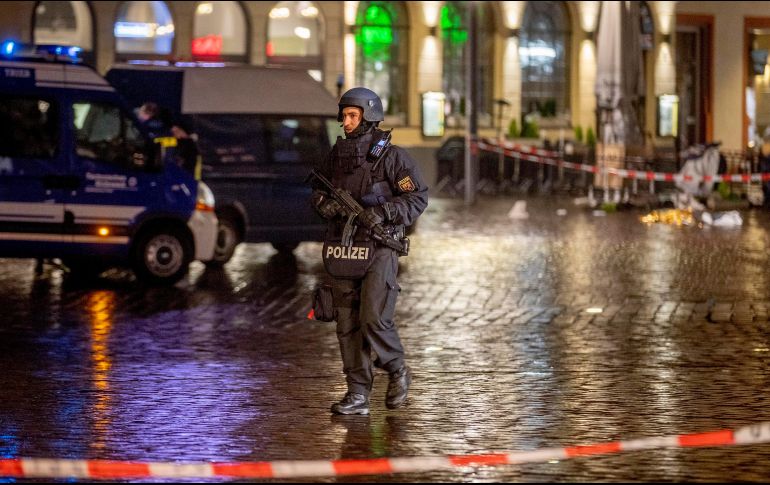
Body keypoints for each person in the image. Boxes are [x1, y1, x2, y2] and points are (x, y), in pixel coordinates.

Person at [311, 87, 428, 415]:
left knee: (374, 318)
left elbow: (417, 198)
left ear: (368, 117)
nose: (346, 122)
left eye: (353, 116)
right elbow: (316, 191)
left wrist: (385, 212)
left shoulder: (392, 158)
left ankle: (397, 369)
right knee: (346, 322)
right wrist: (325, 205)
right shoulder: (335, 157)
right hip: (343, 249)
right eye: (344, 115)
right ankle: (357, 393)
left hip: (379, 248)